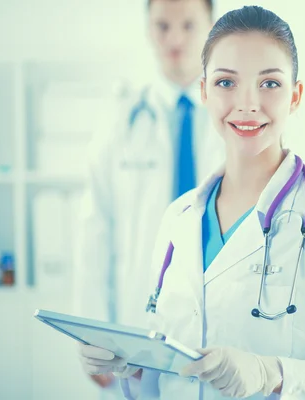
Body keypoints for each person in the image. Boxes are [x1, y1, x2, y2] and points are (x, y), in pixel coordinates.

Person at [78, 5, 305, 399]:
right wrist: (133, 366)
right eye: (227, 83)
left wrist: (273, 373)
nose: (247, 104)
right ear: (205, 91)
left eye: (270, 84)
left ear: (295, 96)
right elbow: (169, 371)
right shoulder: (179, 219)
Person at [72, 0, 224, 394]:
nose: (174, 39)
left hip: (221, 321)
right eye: (162, 26)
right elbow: (95, 229)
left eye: (188, 25)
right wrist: (92, 328)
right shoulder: (119, 121)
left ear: (211, 29)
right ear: (148, 29)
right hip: (137, 322)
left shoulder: (237, 117)